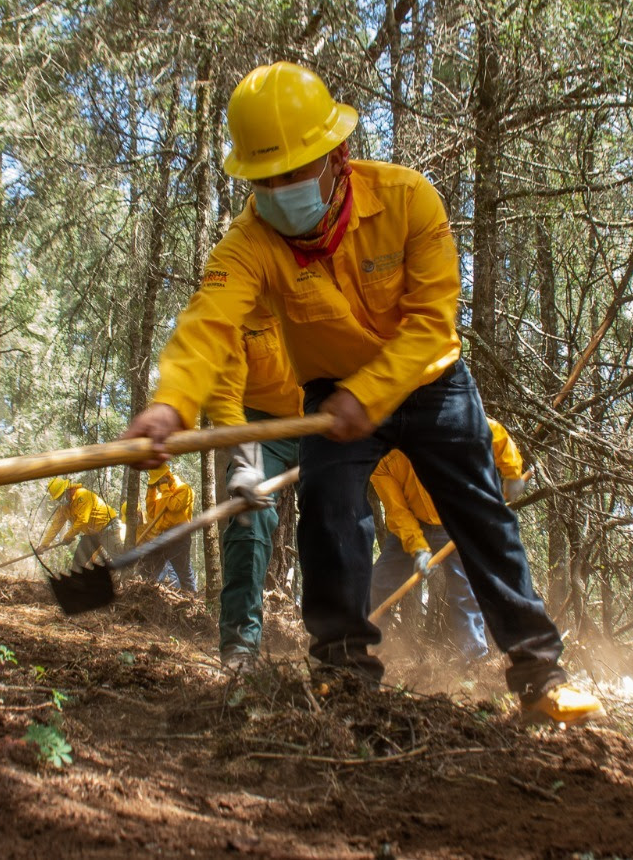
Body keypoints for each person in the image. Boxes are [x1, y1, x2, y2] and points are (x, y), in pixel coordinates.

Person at [121, 61, 600, 723]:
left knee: (480, 515)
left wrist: (371, 394)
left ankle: (541, 676)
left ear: (338, 156)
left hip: (432, 382)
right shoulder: (248, 245)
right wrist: (170, 403)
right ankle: (343, 673)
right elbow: (209, 325)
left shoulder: (409, 201)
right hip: (333, 393)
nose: (280, 191)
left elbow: (434, 325)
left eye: (294, 172)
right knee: (329, 512)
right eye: (265, 179)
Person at [370, 418, 529, 664]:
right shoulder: (381, 455)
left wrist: (513, 472)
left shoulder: (445, 418)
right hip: (413, 523)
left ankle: (473, 655)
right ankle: (372, 646)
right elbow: (397, 511)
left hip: (456, 518)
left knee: (464, 588)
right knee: (378, 583)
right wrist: (418, 547)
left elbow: (495, 433)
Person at [207, 307, 302, 670]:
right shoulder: (237, 301)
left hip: (321, 419)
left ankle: (339, 647)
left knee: (338, 512)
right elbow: (225, 388)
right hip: (260, 425)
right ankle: (240, 647)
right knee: (252, 515)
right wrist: (245, 458)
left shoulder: (328, 279)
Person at [135, 463, 196, 591]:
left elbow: (174, 506)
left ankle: (192, 601)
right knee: (149, 565)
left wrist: (164, 487)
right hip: (162, 535)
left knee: (183, 572)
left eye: (157, 482)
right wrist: (151, 490)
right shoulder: (162, 495)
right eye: (155, 484)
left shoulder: (184, 489)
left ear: (166, 477)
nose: (157, 486)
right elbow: (151, 511)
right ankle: (143, 595)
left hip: (179, 535)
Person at [38, 477, 119, 568]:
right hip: (91, 533)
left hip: (107, 526)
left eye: (61, 496)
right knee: (78, 563)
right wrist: (44, 545)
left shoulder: (82, 495)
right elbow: (55, 526)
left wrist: (68, 536)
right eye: (58, 498)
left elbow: (82, 520)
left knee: (119, 557)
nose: (61, 500)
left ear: (67, 490)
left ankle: (131, 577)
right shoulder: (64, 508)